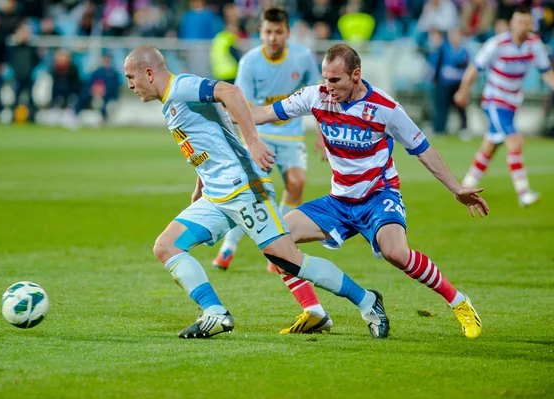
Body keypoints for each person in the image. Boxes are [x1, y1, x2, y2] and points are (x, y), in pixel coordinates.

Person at [123, 45, 390, 339]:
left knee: (287, 259)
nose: (130, 85)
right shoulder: (171, 100)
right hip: (215, 195)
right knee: (166, 246)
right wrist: (200, 184)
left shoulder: (182, 86)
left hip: (244, 189)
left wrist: (251, 141)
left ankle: (367, 301)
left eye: (131, 77)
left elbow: (232, 93)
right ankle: (214, 313)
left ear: (149, 73)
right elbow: (210, 141)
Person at [247, 43, 488, 339]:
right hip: (339, 201)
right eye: (325, 78)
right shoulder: (316, 97)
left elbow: (424, 150)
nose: (328, 86)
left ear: (356, 75)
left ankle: (460, 302)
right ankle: (314, 312)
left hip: (378, 197)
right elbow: (261, 114)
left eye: (335, 80)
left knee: (396, 253)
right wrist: (218, 105)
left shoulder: (385, 108)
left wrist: (457, 188)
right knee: (274, 240)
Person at [211, 7, 332, 334]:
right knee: (254, 194)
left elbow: (321, 96)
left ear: (287, 32)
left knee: (297, 184)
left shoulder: (303, 57)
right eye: (267, 32)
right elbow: (240, 105)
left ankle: (277, 246)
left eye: (278, 32)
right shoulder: (250, 61)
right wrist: (245, 141)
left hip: (291, 136)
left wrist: (324, 134)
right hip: (262, 137)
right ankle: (229, 248)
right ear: (261, 33)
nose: (272, 38)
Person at [455, 6, 554, 207]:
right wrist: (463, 91)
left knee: (489, 148)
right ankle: (524, 193)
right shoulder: (497, 44)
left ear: (531, 24)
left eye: (527, 22)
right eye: (519, 22)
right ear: (512, 24)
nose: (523, 26)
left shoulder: (534, 44)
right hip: (495, 100)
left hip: (512, 102)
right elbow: (475, 67)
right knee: (515, 141)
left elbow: (546, 71)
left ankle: (465, 186)